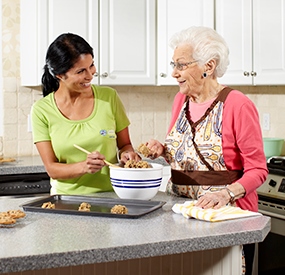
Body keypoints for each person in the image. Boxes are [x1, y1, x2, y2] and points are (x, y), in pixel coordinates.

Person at [143, 26, 268, 275]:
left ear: (208, 67)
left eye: (181, 65)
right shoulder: (182, 99)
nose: (174, 73)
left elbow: (258, 170)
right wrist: (163, 150)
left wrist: (225, 194)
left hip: (225, 218)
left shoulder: (237, 104)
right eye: (173, 64)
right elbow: (187, 150)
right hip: (182, 214)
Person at [31, 33, 140, 195]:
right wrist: (84, 166)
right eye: (81, 71)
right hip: (66, 200)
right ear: (60, 75)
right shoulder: (42, 111)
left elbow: (125, 145)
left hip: (112, 195)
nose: (90, 75)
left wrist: (128, 154)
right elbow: (52, 168)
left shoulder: (109, 98)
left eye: (92, 66)